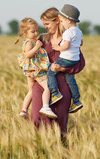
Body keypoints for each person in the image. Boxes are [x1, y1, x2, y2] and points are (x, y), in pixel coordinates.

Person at [30, 7, 85, 136]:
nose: (45, 27)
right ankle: (40, 147)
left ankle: (59, 150)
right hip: (42, 83)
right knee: (36, 117)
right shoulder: (42, 39)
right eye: (43, 24)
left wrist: (63, 69)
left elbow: (80, 63)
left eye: (47, 24)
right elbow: (32, 59)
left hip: (63, 84)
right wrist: (29, 71)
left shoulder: (69, 39)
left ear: (57, 21)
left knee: (60, 121)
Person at [16, 17, 57, 119]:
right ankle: (46, 106)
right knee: (48, 87)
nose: (35, 33)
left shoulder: (32, 41)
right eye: (32, 31)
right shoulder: (29, 42)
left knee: (31, 91)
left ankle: (24, 110)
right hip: (36, 71)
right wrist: (37, 47)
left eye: (37, 31)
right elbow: (28, 55)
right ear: (25, 33)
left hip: (30, 72)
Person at [47, 4, 84, 113]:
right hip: (74, 60)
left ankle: (55, 93)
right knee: (70, 79)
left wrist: (58, 47)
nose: (61, 24)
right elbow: (81, 42)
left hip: (65, 58)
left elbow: (66, 46)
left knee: (51, 71)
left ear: (68, 20)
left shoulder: (68, 32)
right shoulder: (78, 31)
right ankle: (76, 101)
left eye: (62, 21)